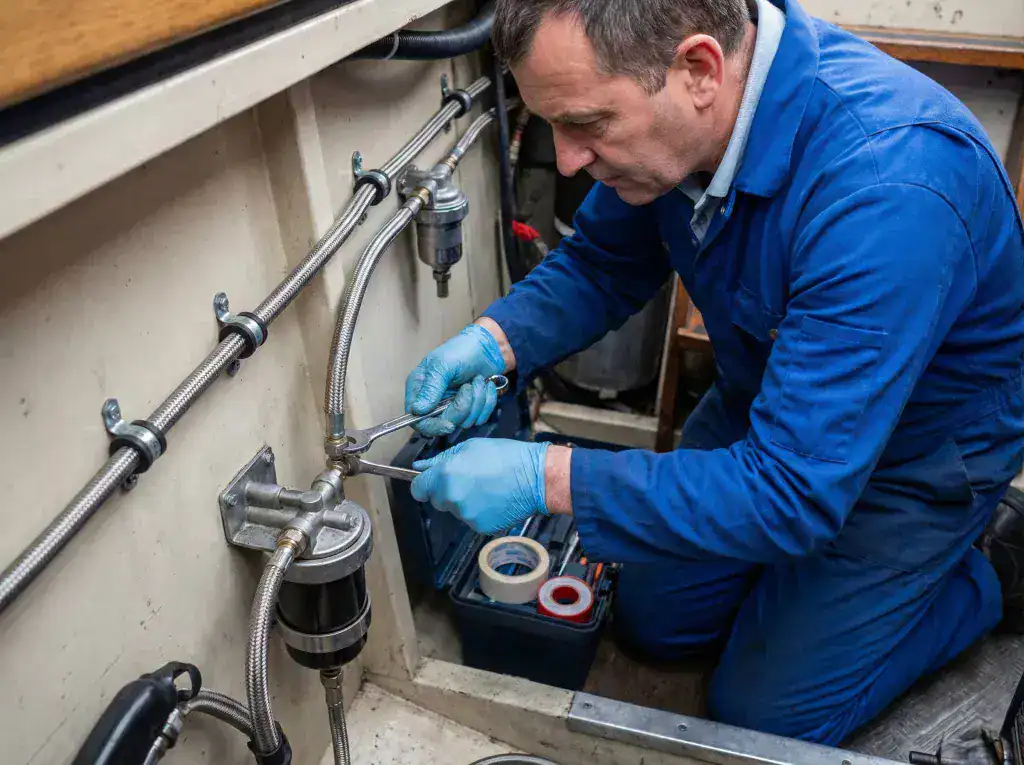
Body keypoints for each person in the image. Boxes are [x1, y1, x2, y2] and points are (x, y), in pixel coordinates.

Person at [404, 0, 1024, 745]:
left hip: (914, 458)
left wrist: (549, 478)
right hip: (770, 403)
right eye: (552, 126)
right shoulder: (686, 127)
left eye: (587, 124)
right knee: (654, 621)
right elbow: (603, 263)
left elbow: (791, 490)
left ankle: (985, 567)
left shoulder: (888, 185)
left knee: (765, 715)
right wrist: (493, 343)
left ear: (699, 69)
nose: (566, 161)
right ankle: (810, 588)